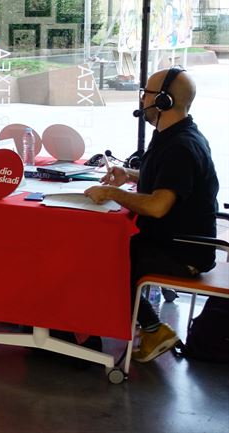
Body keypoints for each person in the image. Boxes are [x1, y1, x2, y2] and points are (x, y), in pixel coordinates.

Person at [85, 67, 218, 363]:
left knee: (100, 256)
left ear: (164, 102)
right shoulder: (174, 134)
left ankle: (153, 329)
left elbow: (158, 206)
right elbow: (167, 180)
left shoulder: (181, 147)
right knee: (102, 248)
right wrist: (128, 174)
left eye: (147, 93)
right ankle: (144, 327)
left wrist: (113, 194)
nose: (143, 98)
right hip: (174, 242)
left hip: (184, 253)